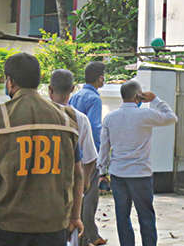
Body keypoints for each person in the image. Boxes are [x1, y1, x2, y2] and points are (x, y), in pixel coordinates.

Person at [0, 53, 84, 246]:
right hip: (54, 226)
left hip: (8, 226)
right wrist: (75, 216)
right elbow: (78, 173)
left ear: (10, 81)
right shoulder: (66, 118)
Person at [99, 79, 177, 246]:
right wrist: (155, 100)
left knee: (122, 217)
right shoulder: (146, 115)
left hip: (118, 174)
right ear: (138, 97)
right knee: (146, 216)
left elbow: (104, 148)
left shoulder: (110, 118)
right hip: (141, 174)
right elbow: (172, 118)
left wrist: (102, 172)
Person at [49, 69, 99, 246]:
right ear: (72, 89)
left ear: (50, 89)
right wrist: (83, 186)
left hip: (43, 189)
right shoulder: (80, 119)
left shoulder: (39, 116)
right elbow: (90, 159)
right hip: (69, 192)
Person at [69, 61, 106, 246]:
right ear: (99, 78)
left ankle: (85, 234)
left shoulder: (75, 96)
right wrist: (98, 156)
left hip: (72, 154)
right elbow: (94, 128)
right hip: (87, 156)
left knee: (76, 197)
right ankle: (88, 236)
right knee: (90, 198)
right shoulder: (94, 99)